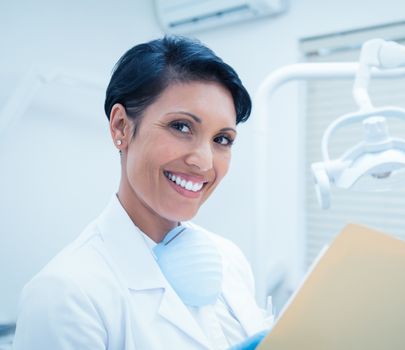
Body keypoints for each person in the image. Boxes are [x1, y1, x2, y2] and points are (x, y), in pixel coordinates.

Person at [13, 36, 272, 350]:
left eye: (222, 139)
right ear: (121, 127)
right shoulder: (65, 295)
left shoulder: (229, 259)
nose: (203, 162)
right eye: (181, 127)